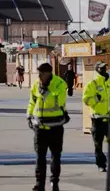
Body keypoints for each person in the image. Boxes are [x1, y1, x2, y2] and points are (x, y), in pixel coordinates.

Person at [26, 62, 69, 191]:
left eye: (42, 73)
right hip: (40, 127)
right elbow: (32, 102)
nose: (39, 76)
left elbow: (60, 101)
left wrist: (46, 90)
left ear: (49, 73)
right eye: (38, 73)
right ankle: (40, 184)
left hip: (55, 126)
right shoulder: (36, 84)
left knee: (55, 156)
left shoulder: (60, 84)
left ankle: (54, 182)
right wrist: (29, 115)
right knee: (40, 157)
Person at [82, 61, 110, 172]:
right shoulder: (92, 83)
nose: (104, 70)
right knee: (98, 145)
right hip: (97, 118)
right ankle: (101, 164)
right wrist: (96, 99)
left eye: (105, 68)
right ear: (97, 70)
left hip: (109, 118)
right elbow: (86, 100)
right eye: (101, 69)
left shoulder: (109, 82)